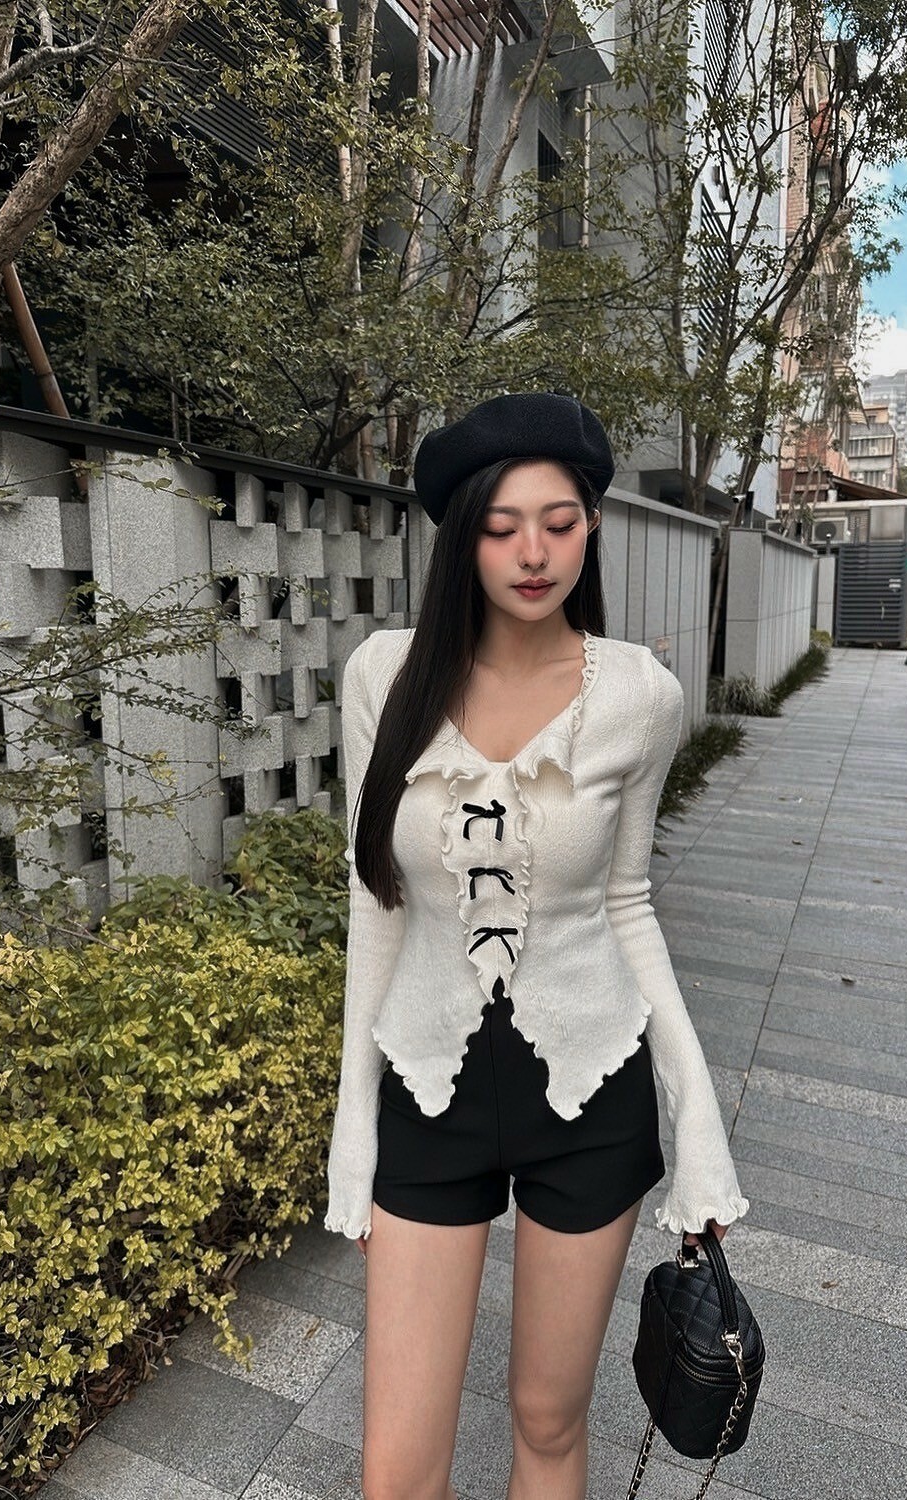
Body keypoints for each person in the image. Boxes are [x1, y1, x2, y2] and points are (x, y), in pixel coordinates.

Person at [324, 393, 748, 1500]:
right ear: (462, 535)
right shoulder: (383, 677)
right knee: (394, 1471)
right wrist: (353, 1125)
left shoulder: (640, 696)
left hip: (590, 1090)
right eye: (502, 525)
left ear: (591, 526)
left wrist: (697, 1121)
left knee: (549, 1423)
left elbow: (628, 905)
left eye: (559, 524)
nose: (532, 553)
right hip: (429, 1086)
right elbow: (376, 903)